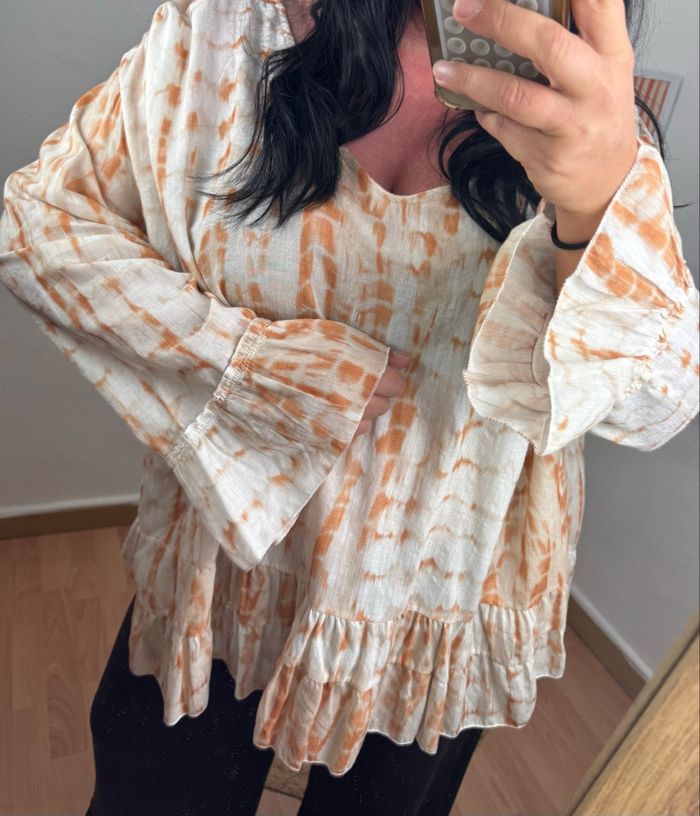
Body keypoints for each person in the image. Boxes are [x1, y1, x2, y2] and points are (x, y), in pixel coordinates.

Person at [0, 0, 697, 814]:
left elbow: (654, 407)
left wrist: (597, 208)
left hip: (434, 611)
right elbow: (37, 226)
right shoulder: (219, 33)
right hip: (220, 573)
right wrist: (247, 368)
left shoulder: (588, 106)